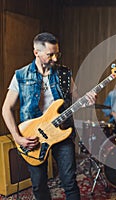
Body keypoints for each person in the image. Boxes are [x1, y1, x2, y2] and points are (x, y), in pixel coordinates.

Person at [2, 32, 96, 200]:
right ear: (36, 52)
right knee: (38, 184)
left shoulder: (64, 73)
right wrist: (17, 137)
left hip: (63, 132)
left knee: (69, 181)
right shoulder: (21, 75)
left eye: (57, 54)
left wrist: (86, 101)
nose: (55, 59)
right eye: (50, 54)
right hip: (33, 136)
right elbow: (6, 109)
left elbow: (76, 99)